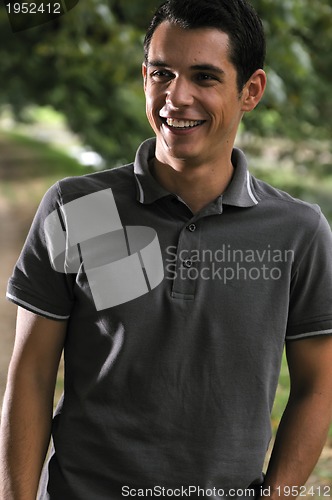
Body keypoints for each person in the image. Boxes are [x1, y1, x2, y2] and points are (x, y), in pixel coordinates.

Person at [1, 0, 332, 498]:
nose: (176, 97)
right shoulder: (82, 207)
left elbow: (317, 389)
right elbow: (31, 375)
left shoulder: (297, 232)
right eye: (162, 74)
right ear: (145, 78)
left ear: (251, 91)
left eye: (204, 77)